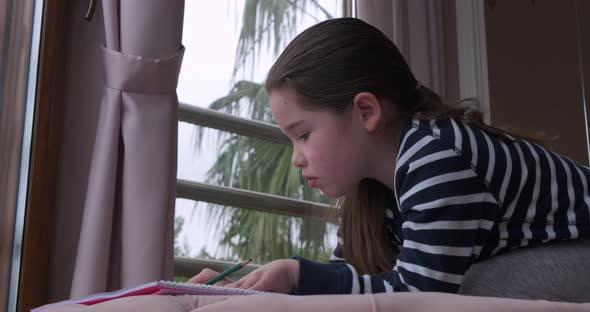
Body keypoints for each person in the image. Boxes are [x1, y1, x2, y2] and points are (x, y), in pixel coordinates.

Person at [189, 17, 590, 296]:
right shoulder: (376, 192)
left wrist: (298, 276)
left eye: (304, 135)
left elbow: (415, 293)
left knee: (467, 290)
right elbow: (348, 279)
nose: (297, 158)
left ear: (366, 112)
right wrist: (249, 284)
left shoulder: (437, 159)